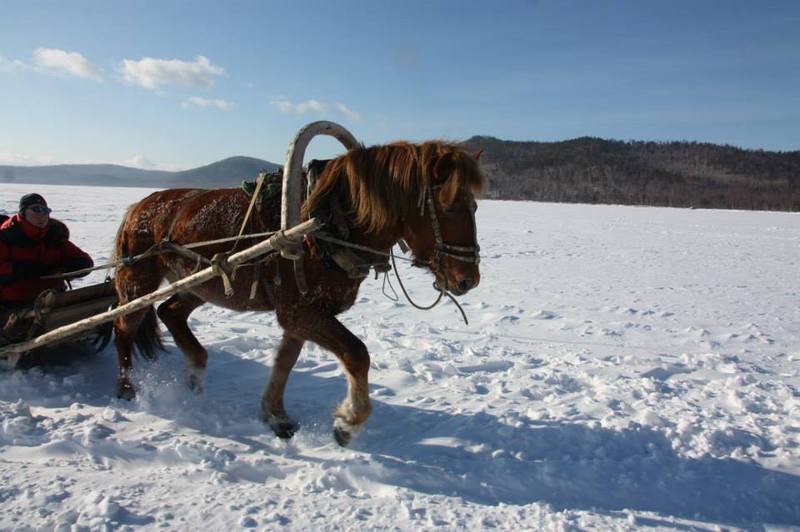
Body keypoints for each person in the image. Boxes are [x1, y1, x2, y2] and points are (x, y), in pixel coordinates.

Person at [0, 193, 94, 308]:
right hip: (13, 302)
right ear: (23, 212)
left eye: (46, 211)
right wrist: (30, 269)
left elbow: (85, 262)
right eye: (36, 210)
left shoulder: (54, 235)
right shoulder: (6, 236)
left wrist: (64, 269)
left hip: (54, 298)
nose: (42, 214)